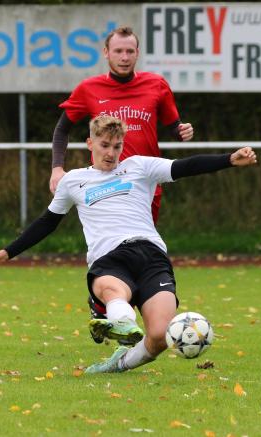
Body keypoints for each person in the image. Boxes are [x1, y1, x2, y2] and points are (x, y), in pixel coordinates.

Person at [0, 115, 257, 374]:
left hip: (151, 255)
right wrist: (6, 252)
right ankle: (121, 322)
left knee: (160, 336)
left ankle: (117, 363)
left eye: (117, 146)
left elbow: (185, 166)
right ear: (90, 143)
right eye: (104, 145)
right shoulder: (74, 181)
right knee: (113, 289)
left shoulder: (139, 167)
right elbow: (47, 222)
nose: (111, 153)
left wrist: (229, 159)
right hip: (110, 257)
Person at [48, 26, 195, 332]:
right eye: (118, 51)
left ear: (137, 53)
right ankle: (110, 305)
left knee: (142, 250)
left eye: (130, 51)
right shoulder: (89, 89)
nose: (125, 57)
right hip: (107, 185)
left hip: (145, 187)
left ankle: (124, 310)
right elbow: (62, 128)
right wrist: (57, 167)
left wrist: (182, 130)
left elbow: (172, 124)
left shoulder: (157, 85)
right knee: (110, 243)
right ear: (106, 53)